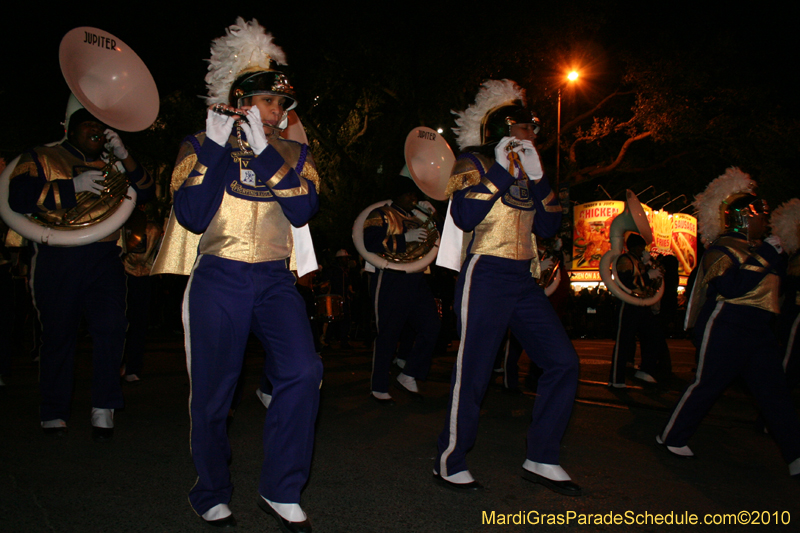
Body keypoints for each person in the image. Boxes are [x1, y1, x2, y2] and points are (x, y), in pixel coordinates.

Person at [151, 18, 321, 530]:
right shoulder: (201, 143)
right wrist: (213, 148)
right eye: (271, 102)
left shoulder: (294, 153)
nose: (280, 112)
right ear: (243, 101)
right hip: (219, 278)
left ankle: (281, 487)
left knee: (303, 371)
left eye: (283, 105)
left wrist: (267, 152)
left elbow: (303, 209)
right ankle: (210, 489)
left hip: (274, 280)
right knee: (213, 392)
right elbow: (193, 216)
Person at [434, 80, 581, 496]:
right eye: (525, 127)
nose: (533, 133)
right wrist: (498, 170)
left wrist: (538, 178)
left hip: (523, 278)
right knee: (475, 371)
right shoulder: (473, 162)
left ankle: (542, 456)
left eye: (534, 127)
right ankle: (450, 459)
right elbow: (463, 215)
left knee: (563, 362)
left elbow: (551, 226)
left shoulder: (532, 173)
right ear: (504, 129)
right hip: (485, 273)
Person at [7, 104, 153, 440]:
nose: (96, 131)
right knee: (58, 335)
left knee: (112, 328)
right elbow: (18, 197)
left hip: (104, 255)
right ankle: (54, 410)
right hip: (60, 254)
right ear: (72, 129)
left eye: (101, 127)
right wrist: (70, 187)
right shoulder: (42, 155)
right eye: (89, 125)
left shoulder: (114, 164)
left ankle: (104, 404)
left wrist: (125, 155)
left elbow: (144, 190)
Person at [659, 168, 800, 479]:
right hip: (727, 323)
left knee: (775, 392)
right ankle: (671, 436)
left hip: (760, 328)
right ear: (741, 218)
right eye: (758, 216)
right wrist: (766, 254)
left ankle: (795, 454)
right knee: (708, 384)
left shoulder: (763, 249)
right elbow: (733, 287)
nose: (764, 221)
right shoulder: (721, 249)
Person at [363, 179, 441, 403]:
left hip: (416, 278)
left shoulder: (418, 217)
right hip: (390, 277)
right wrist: (404, 238)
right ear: (397, 195)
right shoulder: (381, 214)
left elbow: (433, 243)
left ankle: (409, 373)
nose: (414, 199)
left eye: (415, 195)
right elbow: (370, 241)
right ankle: (378, 385)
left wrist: (432, 219)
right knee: (388, 332)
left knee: (432, 326)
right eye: (409, 195)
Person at [608, 233, 667, 387]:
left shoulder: (640, 261)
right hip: (628, 304)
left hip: (643, 304)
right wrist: (647, 275)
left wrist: (650, 266)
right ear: (634, 247)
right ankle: (616, 380)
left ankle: (645, 370)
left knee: (654, 336)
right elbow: (627, 282)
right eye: (641, 247)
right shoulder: (625, 260)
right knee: (623, 342)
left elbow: (650, 283)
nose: (643, 250)